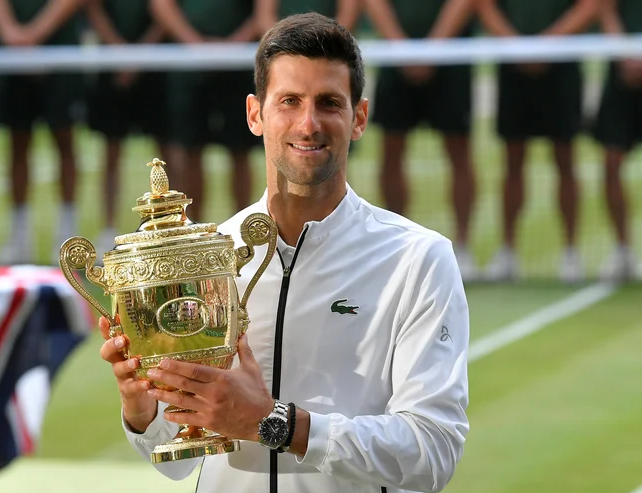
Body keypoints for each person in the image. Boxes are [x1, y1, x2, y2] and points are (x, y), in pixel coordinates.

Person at [99, 13, 469, 493]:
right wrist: (140, 406)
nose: (308, 124)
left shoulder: (419, 259)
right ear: (256, 114)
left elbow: (433, 453)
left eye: (329, 103)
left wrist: (277, 424)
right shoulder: (206, 258)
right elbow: (174, 461)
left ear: (358, 118)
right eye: (289, 101)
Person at [478, 0, 599, 282]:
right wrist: (517, 47)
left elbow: (590, 6)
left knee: (566, 160)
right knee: (513, 161)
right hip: (512, 64)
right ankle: (507, 251)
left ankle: (571, 253)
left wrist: (547, 45)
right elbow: (483, 6)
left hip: (563, 64)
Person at [365, 0, 478, 282]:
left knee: (459, 153)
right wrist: (401, 49)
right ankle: (393, 246)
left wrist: (433, 49)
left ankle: (463, 248)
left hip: (451, 55)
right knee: (391, 151)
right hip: (395, 55)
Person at [0, 0, 86, 265]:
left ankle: (67, 235)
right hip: (9, 50)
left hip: (58, 47)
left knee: (65, 140)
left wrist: (36, 33)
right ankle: (19, 235)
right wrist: (10, 32)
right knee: (17, 141)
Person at [150, 0, 260, 223]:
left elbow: (264, 10)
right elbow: (162, 6)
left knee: (240, 150)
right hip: (188, 63)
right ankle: (194, 231)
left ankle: (244, 232)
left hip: (238, 62)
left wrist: (235, 45)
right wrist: (195, 45)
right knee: (190, 150)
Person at [86, 0, 168, 257]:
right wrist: (120, 53)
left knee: (167, 153)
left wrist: (139, 55)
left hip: (157, 61)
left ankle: (174, 226)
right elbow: (93, 8)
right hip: (112, 61)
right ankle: (108, 228)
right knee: (111, 150)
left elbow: (166, 10)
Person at [591, 0, 641, 281]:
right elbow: (604, 6)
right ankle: (623, 250)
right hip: (623, 75)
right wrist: (625, 55)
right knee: (611, 164)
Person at [255, 0, 361, 34]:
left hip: (329, 50)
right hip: (284, 51)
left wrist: (317, 41)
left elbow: (347, 19)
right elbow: (264, 19)